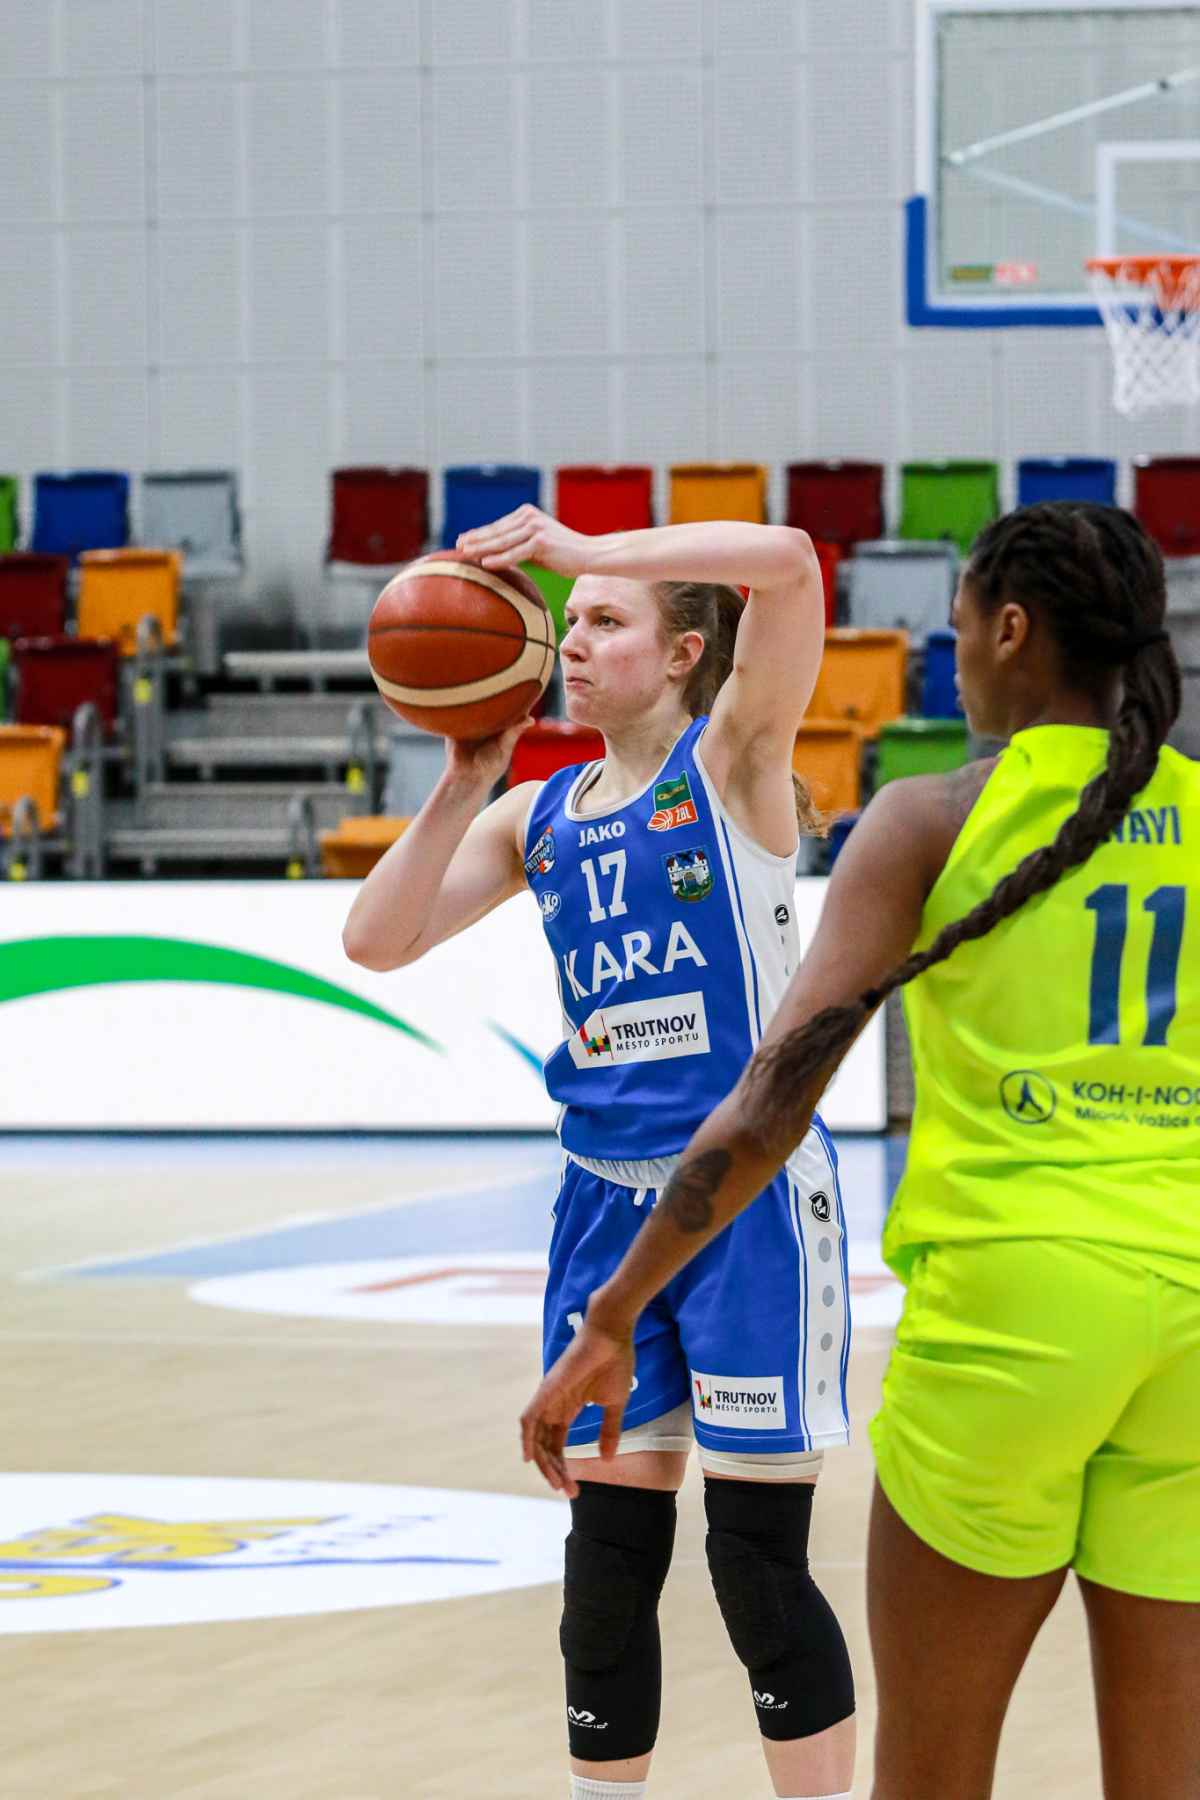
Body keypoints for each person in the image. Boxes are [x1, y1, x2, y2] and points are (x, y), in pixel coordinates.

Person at [521, 501, 1199, 1800]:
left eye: (959, 629)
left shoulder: (934, 815)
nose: (953, 657)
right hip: (1193, 1325)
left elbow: (770, 1102)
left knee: (931, 1772)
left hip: (1016, 1315)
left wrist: (614, 1311)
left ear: (1013, 630)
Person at [343, 505, 858, 1800]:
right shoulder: (540, 814)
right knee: (606, 1576)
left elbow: (792, 564)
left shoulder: (734, 763)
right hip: (601, 1208)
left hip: (743, 1209)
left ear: (683, 653)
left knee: (755, 1565)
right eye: (565, 623)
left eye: (605, 620)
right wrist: (464, 777)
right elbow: (376, 941)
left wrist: (588, 548)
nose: (570, 640)